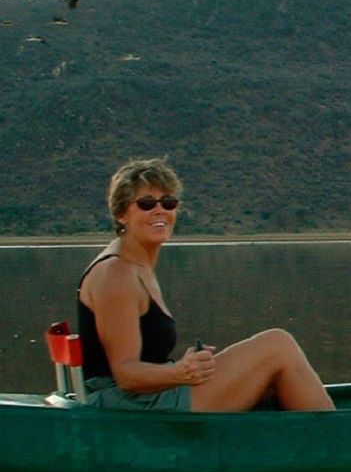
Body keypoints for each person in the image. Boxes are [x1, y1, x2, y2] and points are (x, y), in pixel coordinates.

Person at [77, 157, 334, 412]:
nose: (160, 210)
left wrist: (187, 369)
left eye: (168, 203)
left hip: (148, 395)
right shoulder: (117, 273)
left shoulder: (138, 265)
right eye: (146, 204)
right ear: (121, 214)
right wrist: (181, 373)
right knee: (278, 346)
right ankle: (337, 433)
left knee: (274, 376)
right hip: (127, 405)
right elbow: (126, 375)